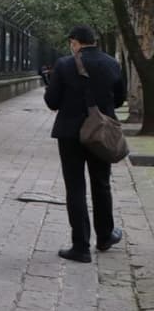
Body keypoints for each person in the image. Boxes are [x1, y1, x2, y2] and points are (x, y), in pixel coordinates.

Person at [44, 25, 126, 263]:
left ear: (74, 42)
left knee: (76, 187)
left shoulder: (64, 64)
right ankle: (104, 236)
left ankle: (80, 246)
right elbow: (118, 98)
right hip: (100, 133)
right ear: (94, 41)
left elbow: (52, 102)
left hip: (70, 135)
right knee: (101, 183)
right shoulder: (112, 63)